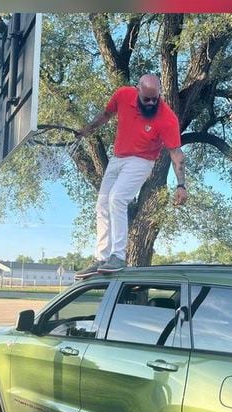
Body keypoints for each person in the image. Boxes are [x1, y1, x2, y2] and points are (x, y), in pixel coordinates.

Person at [75, 74, 187, 279]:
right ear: (138, 91)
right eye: (147, 99)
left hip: (141, 161)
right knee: (101, 204)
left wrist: (181, 185)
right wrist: (87, 130)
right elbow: (106, 114)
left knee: (117, 198)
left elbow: (176, 153)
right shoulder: (123, 95)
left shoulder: (167, 118)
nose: (152, 103)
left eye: (156, 98)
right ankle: (102, 257)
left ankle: (118, 256)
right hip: (118, 158)